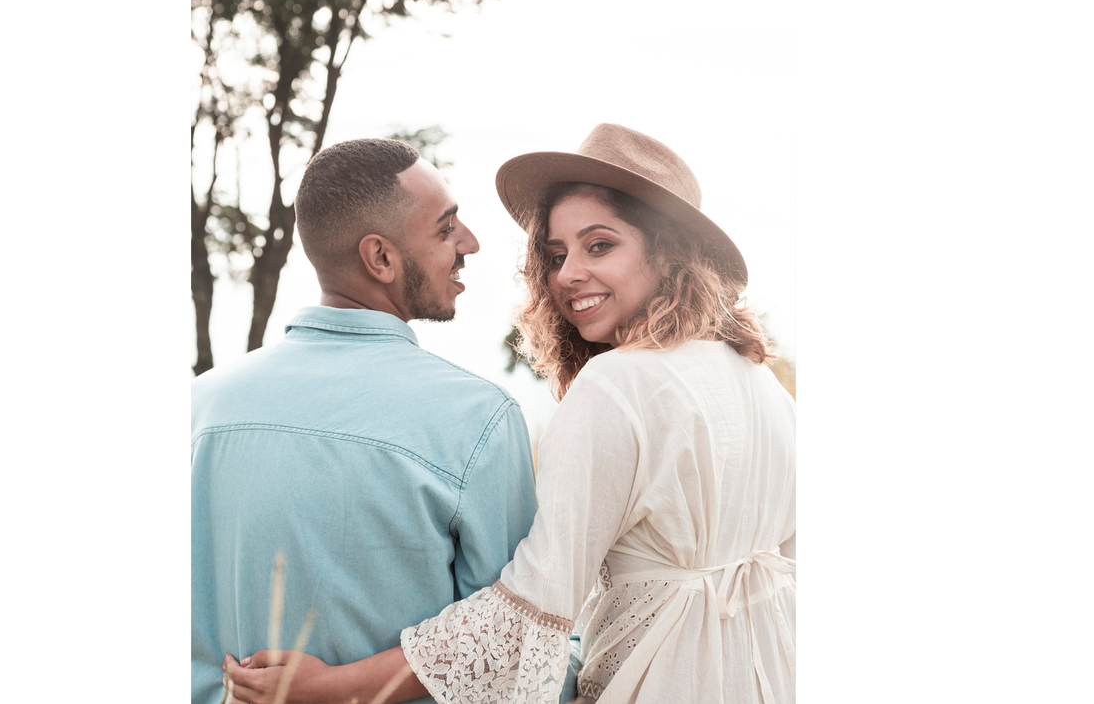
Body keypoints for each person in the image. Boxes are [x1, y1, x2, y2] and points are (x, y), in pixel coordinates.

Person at [224, 123, 796, 704]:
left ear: (669, 253)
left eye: (599, 245)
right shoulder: (764, 387)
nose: (567, 274)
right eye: (554, 254)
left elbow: (532, 611)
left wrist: (335, 687)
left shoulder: (616, 384)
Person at [192, 138, 543, 704]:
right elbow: (514, 658)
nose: (470, 243)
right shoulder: (476, 419)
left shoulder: (197, 407)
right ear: (380, 258)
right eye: (446, 228)